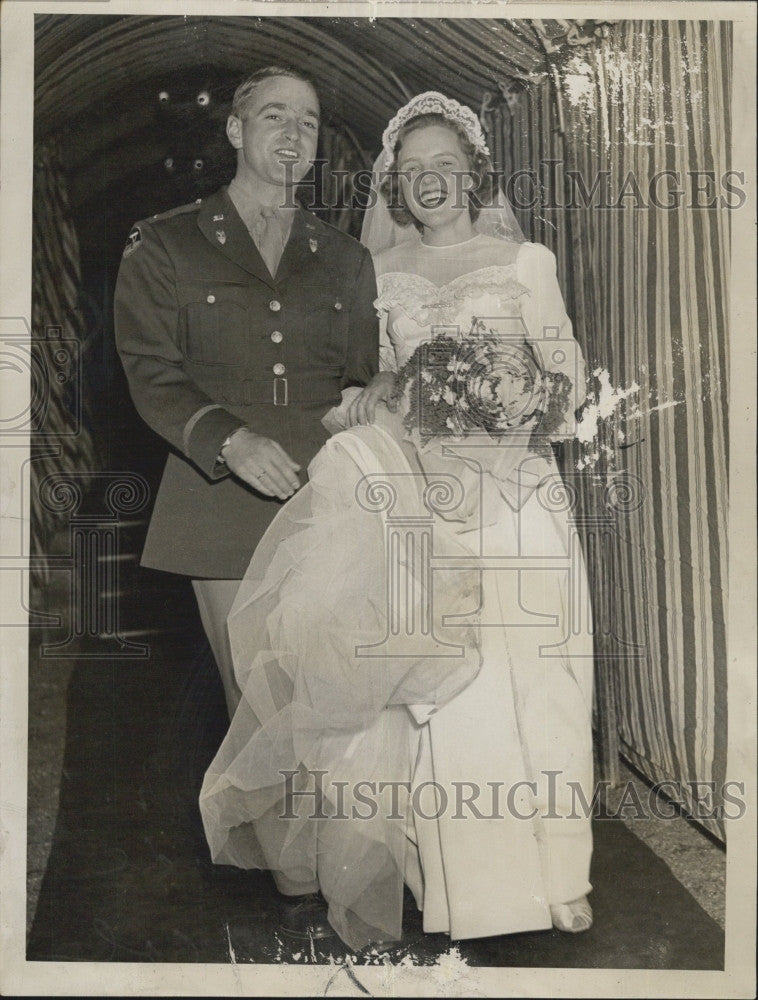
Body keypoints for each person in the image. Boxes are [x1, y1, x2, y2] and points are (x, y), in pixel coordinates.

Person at [199, 92, 594, 951]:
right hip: (421, 501)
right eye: (412, 172)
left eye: (444, 166)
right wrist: (373, 403)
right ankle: (456, 886)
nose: (430, 183)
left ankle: (557, 876)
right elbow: (372, 379)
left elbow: (566, 388)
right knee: (442, 697)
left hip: (517, 497)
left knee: (536, 680)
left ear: (474, 172)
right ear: (393, 187)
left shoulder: (526, 261)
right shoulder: (381, 275)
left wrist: (505, 426)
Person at [114, 66, 392, 724]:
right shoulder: (164, 242)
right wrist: (228, 440)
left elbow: (356, 380)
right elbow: (149, 369)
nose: (294, 133)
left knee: (330, 698)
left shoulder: (348, 259)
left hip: (325, 500)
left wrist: (380, 392)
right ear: (236, 130)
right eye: (276, 115)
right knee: (258, 708)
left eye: (310, 121)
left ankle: (323, 829)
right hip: (219, 500)